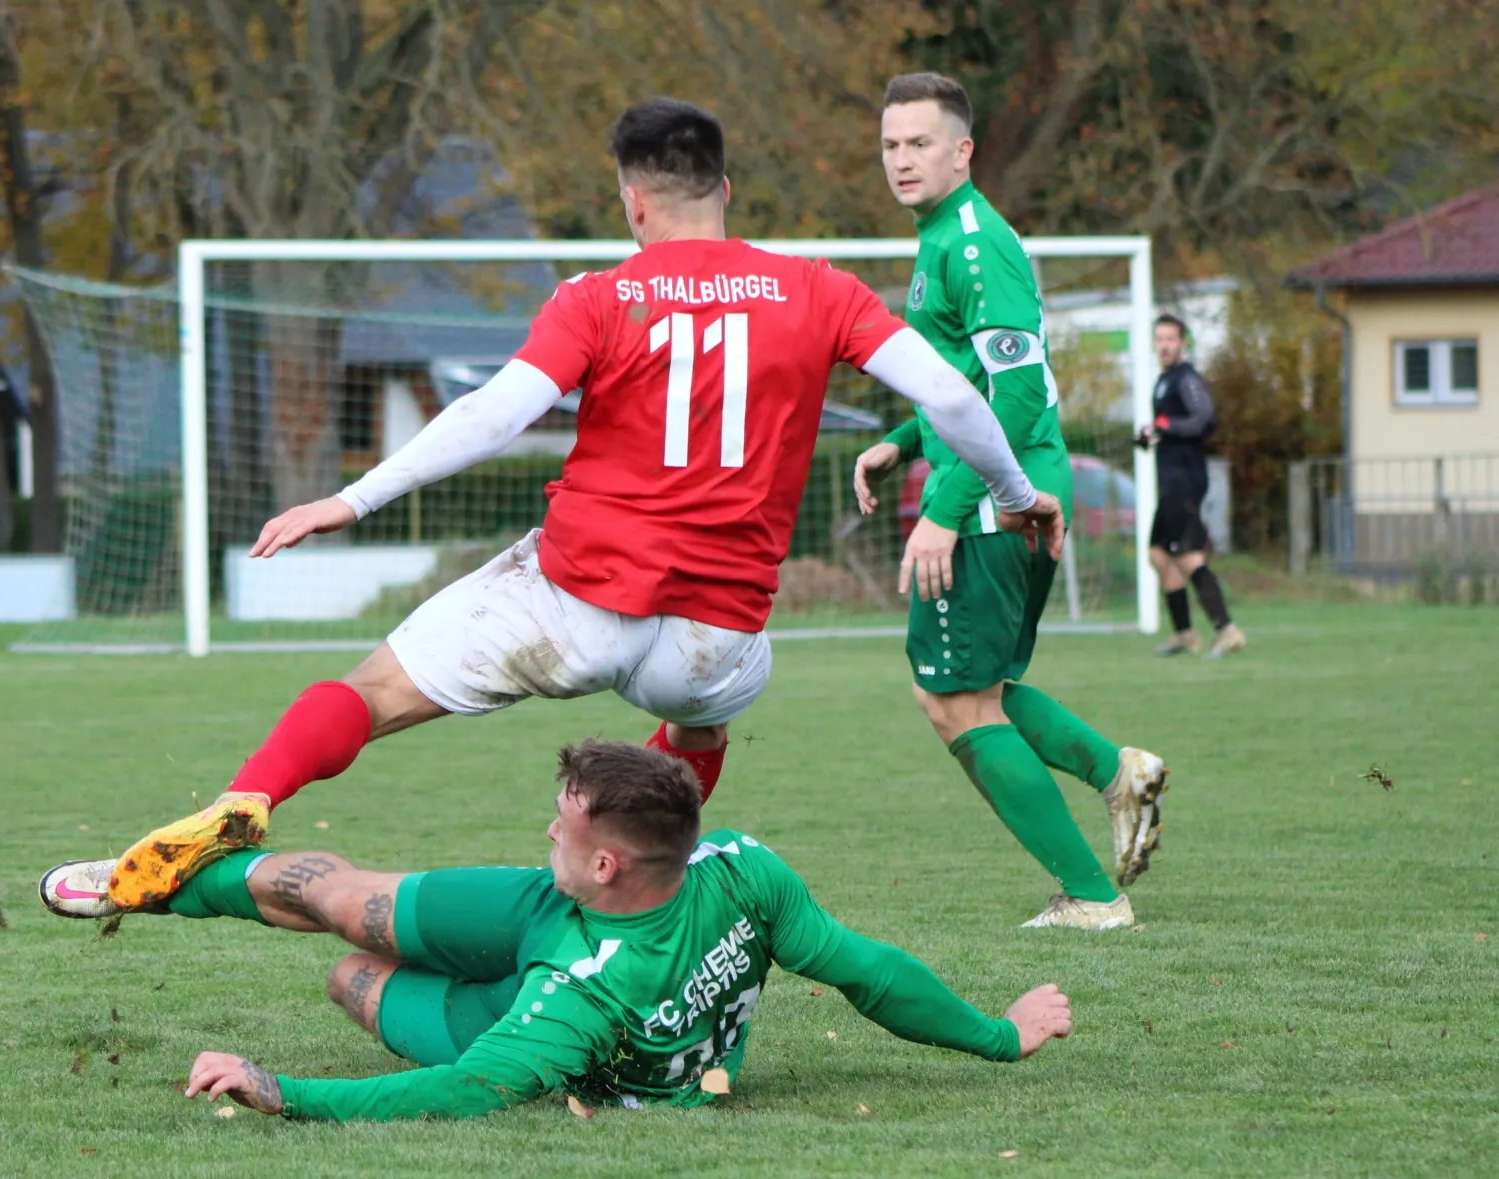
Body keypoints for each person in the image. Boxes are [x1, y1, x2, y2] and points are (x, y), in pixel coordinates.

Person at [98, 96, 1066, 913]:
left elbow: (494, 416)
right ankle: (634, 891)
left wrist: (352, 499)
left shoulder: (598, 296)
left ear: (634, 201)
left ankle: (248, 799)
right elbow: (952, 398)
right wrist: (1016, 495)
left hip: (578, 599)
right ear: (725, 190)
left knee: (373, 691)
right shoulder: (821, 290)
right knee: (697, 732)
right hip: (716, 634)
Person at [39, 740, 1074, 1121]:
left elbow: (462, 1091)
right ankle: (145, 883)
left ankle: (170, 888)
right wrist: (1001, 1034)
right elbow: (868, 970)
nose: (547, 827)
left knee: (352, 973)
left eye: (563, 824)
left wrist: (281, 1090)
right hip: (553, 915)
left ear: (608, 860)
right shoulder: (741, 868)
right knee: (344, 898)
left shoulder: (577, 1002)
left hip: (528, 990)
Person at [852, 73, 1166, 930]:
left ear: (963, 150)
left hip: (998, 501)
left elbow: (1018, 398)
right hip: (1007, 494)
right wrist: (904, 440)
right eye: (890, 144)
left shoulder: (973, 243)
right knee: (976, 690)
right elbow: (967, 382)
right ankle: (1118, 772)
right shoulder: (944, 235)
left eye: (920, 143)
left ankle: (1093, 896)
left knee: (955, 702)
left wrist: (945, 510)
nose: (902, 159)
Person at [1141, 314, 1245, 658]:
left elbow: (1205, 419)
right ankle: (1185, 634)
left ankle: (1227, 630)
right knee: (1159, 554)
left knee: (1187, 555)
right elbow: (1169, 425)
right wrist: (1151, 434)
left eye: (1171, 339)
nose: (1165, 345)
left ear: (1182, 343)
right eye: (1160, 339)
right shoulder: (1164, 380)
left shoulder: (1186, 378)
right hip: (1170, 481)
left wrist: (1166, 426)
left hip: (1185, 481)